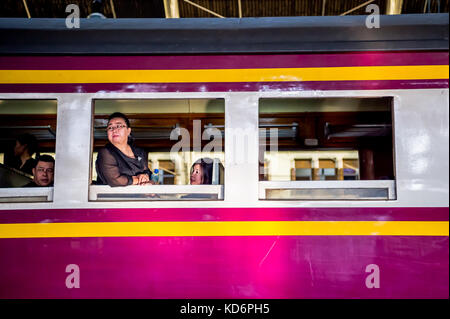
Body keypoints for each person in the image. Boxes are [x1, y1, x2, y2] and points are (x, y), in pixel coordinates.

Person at [95, 112, 153, 187]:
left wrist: (145, 176)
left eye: (119, 126)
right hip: (113, 197)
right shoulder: (106, 153)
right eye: (110, 127)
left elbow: (147, 172)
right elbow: (115, 180)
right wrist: (137, 179)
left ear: (128, 131)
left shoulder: (140, 152)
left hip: (138, 197)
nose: (114, 130)